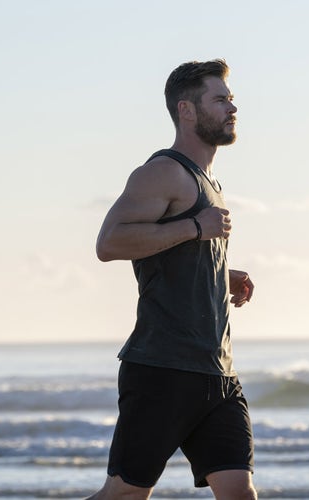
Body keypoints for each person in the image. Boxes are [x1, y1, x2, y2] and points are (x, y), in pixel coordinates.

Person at [88, 59, 257, 500]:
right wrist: (195, 229)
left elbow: (171, 253)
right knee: (124, 494)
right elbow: (110, 243)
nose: (231, 108)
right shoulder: (164, 171)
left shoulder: (209, 182)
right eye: (219, 100)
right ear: (186, 110)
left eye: (231, 100)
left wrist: (220, 274)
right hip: (163, 368)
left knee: (239, 492)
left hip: (216, 372)